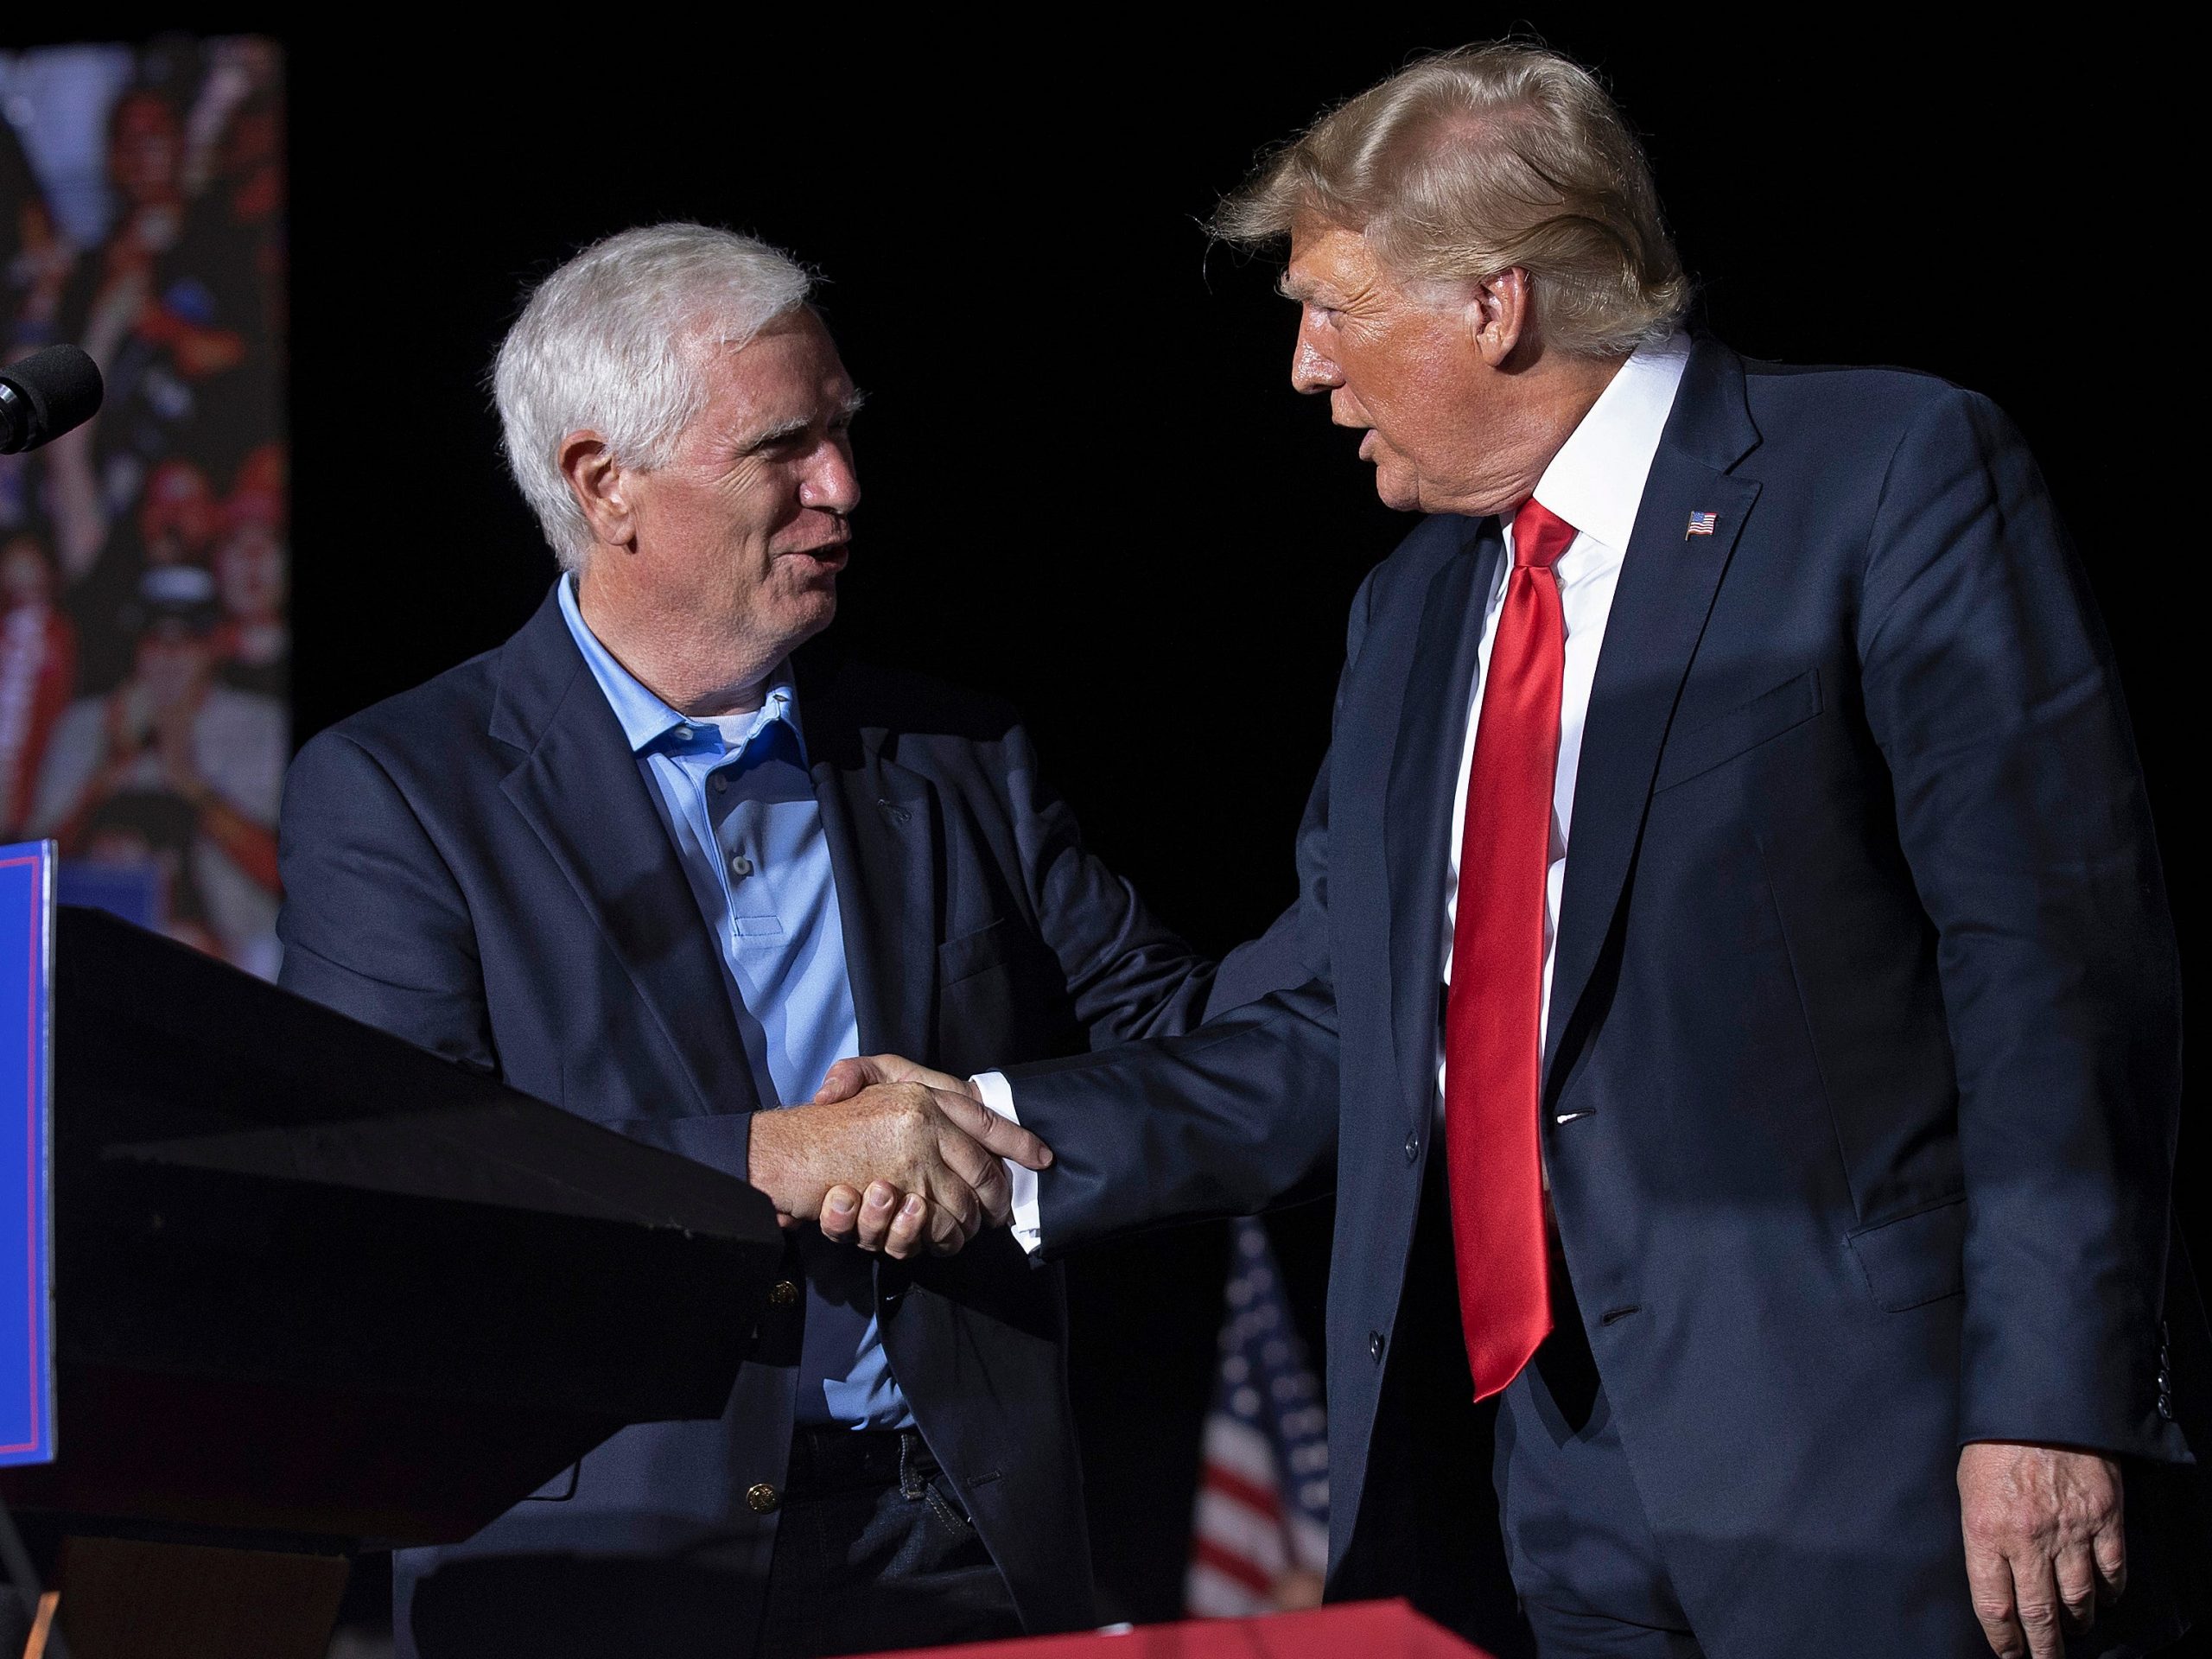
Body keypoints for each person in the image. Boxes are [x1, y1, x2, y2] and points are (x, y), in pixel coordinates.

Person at [817, 44, 2209, 1659]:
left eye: (1331, 308)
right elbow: (1340, 1027)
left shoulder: (1886, 476)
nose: (1305, 370)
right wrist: (993, 1130)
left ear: (1496, 304)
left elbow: (2054, 973)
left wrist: (2054, 1397)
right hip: (1541, 1481)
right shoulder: (1408, 613)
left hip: (1885, 1463)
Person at [274, 224, 1215, 1659]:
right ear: (606, 485)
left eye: (840, 434)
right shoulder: (402, 787)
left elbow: (1187, 1047)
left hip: (952, 1536)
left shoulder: (954, 754)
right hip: (599, 1563)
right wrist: (773, 1157)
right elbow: (409, 1181)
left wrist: (985, 1131)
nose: (842, 489)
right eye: (783, 447)